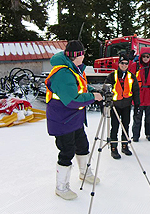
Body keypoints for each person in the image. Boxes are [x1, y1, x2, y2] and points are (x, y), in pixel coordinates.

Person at [45, 40, 103, 200]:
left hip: (74, 118)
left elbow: (80, 87)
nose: (84, 56)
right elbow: (71, 99)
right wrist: (93, 97)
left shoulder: (75, 69)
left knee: (82, 145)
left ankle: (85, 173)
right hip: (62, 120)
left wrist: (93, 90)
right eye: (82, 53)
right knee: (67, 151)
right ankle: (61, 187)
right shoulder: (62, 73)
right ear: (76, 55)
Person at [104, 53, 140, 159]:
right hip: (115, 106)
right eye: (122, 63)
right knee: (114, 127)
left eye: (126, 63)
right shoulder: (112, 76)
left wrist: (137, 105)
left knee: (126, 126)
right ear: (119, 64)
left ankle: (125, 146)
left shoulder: (131, 76)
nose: (124, 65)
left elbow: (136, 91)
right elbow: (106, 88)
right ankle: (113, 148)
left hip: (126, 105)